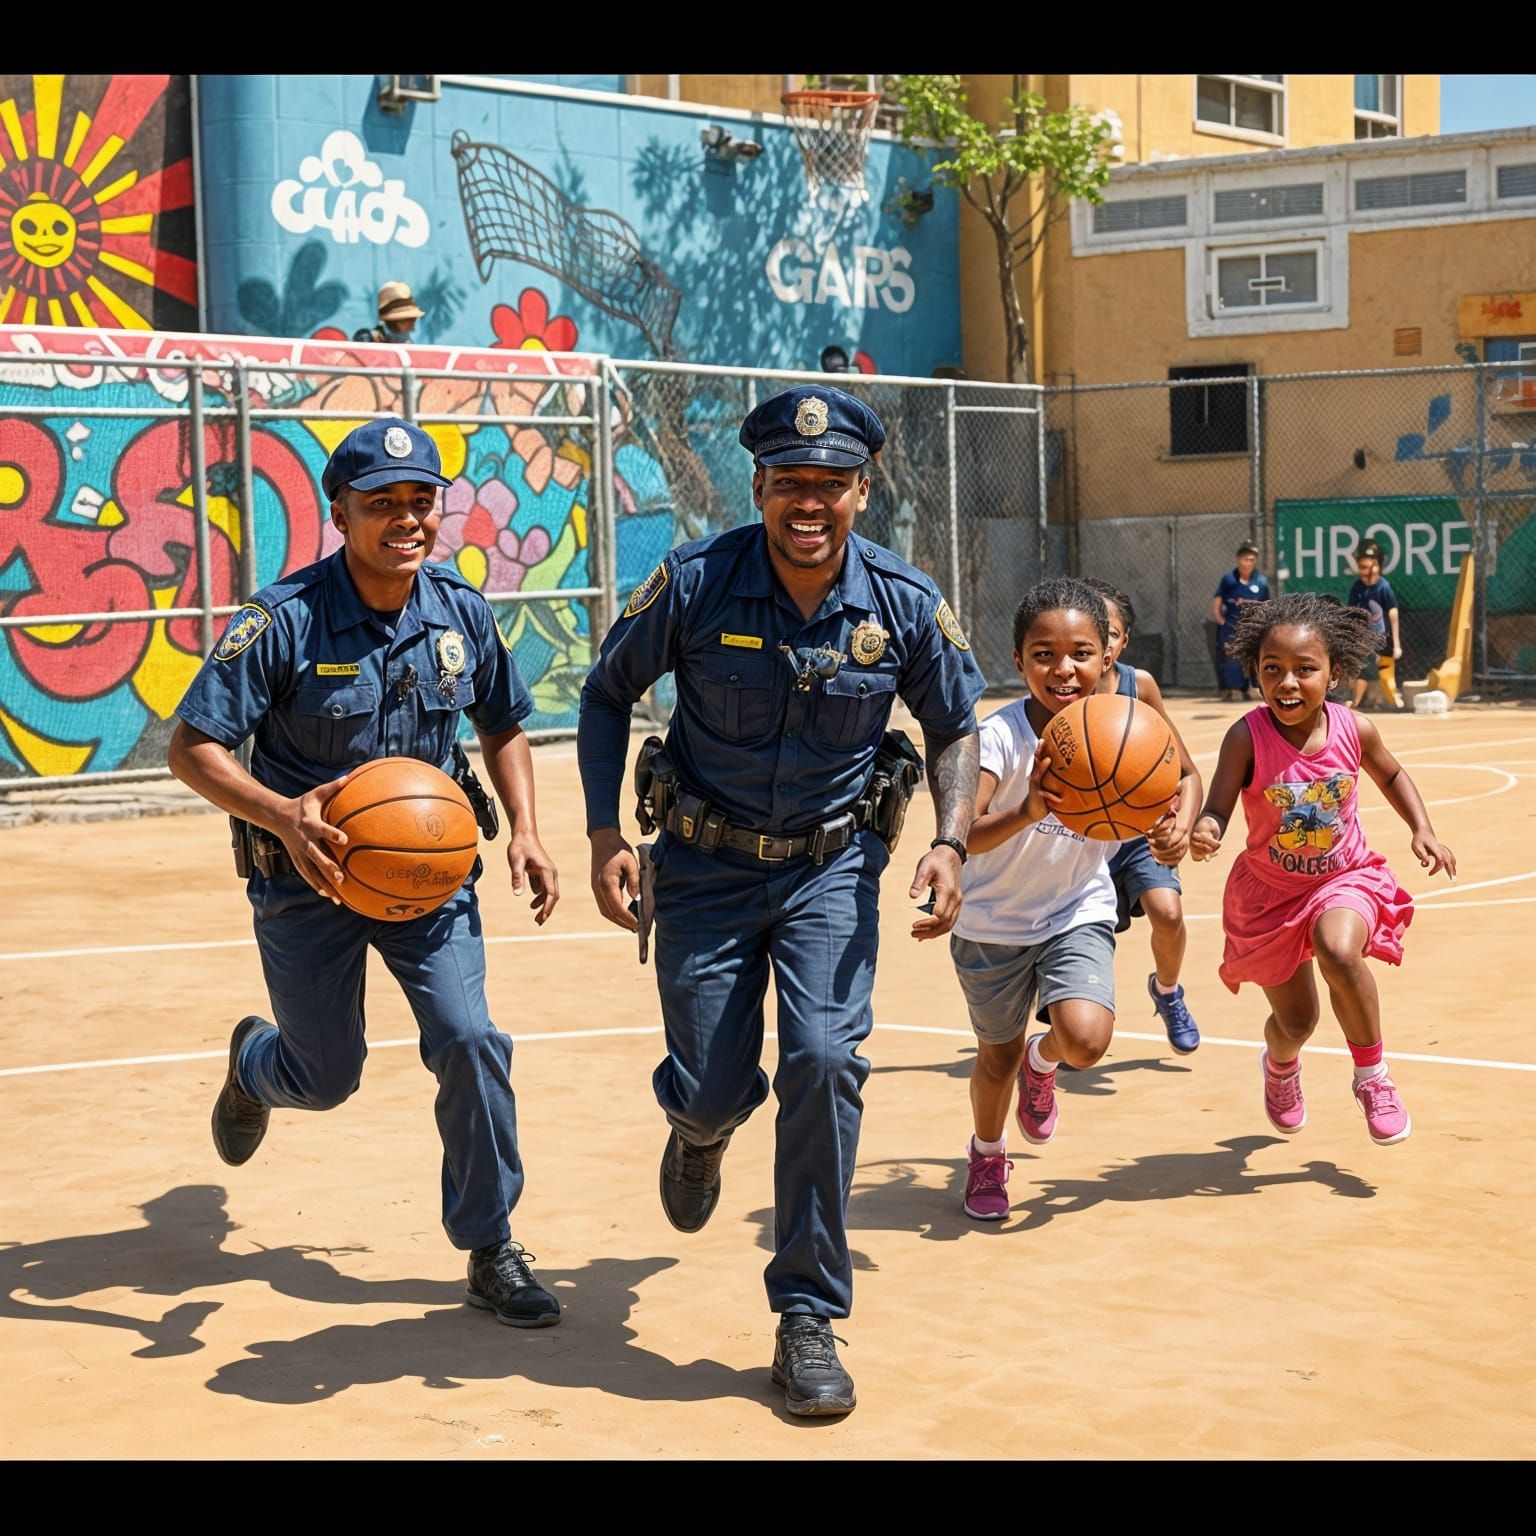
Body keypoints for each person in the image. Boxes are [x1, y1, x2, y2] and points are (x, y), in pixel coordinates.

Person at [577, 385, 985, 1416]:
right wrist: (600, 835)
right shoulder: (695, 582)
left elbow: (957, 727)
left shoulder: (899, 599)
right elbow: (605, 692)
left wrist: (948, 840)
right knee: (715, 1086)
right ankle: (699, 1130)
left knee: (823, 1059)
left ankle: (807, 1315)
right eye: (790, 484)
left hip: (832, 872)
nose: (811, 503)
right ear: (760, 486)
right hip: (705, 871)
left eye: (831, 485)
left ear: (862, 489)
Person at [167, 418, 565, 1328]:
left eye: (421, 501)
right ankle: (256, 1066)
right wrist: (281, 813)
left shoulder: (461, 612)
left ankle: (489, 1242)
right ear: (339, 512)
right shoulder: (284, 618)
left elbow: (503, 725)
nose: (406, 519)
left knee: (470, 1041)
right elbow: (192, 748)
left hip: (429, 880)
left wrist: (527, 833)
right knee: (326, 1075)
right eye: (382, 504)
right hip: (305, 879)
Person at [952, 579, 1185, 1223]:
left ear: (1107, 656)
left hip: (1075, 909)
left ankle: (1044, 1058)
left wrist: (1173, 823)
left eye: (1081, 652)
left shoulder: (1125, 724)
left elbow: (1183, 778)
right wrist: (1028, 809)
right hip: (992, 922)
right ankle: (988, 1151)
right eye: (1044, 654)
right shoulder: (997, 739)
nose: (1064, 669)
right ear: (1018, 659)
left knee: (1084, 1039)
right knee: (994, 1058)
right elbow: (962, 833)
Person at [1190, 593, 1455, 1146]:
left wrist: (1421, 827)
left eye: (1304, 670)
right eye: (1272, 670)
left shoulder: (1354, 729)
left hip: (1343, 877)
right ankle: (1281, 1066)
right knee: (1297, 1022)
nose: (1287, 682)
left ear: (1334, 673)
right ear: (1256, 673)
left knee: (1339, 948)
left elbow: (1392, 775)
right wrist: (1208, 830)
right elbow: (1217, 806)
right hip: (1270, 894)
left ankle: (1372, 1077)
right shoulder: (1246, 736)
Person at [1082, 578, 1202, 1054]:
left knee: (1167, 913)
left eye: (1109, 632)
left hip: (1140, 833)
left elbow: (1188, 773)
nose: (1102, 642)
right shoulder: (1060, 695)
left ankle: (1168, 992)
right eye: (1092, 631)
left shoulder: (1139, 685)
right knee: (1082, 937)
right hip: (1080, 839)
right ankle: (1073, 1018)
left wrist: (1185, 827)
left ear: (1123, 640)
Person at [1347, 540, 1401, 710]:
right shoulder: (1357, 587)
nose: (1363, 572)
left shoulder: (1383, 587)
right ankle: (1364, 701)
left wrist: (1397, 644)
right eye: (1360, 567)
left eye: (1366, 567)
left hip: (1381, 638)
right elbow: (1352, 613)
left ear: (1376, 566)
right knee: (1361, 664)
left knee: (1372, 665)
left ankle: (1367, 701)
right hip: (1362, 637)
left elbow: (1393, 613)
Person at [1212, 541, 1270, 701]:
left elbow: (1266, 604)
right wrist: (1221, 620)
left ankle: (1253, 688)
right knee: (1232, 659)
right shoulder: (1229, 580)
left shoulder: (1261, 582)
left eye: (1252, 559)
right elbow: (1217, 601)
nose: (1248, 563)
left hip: (1253, 628)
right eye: (1245, 559)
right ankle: (1235, 689)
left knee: (1254, 657)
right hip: (1231, 627)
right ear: (1239, 560)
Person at [353, 280, 424, 344]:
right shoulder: (369, 339)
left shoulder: (408, 343)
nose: (412, 325)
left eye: (414, 319)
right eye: (409, 319)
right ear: (395, 320)